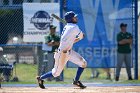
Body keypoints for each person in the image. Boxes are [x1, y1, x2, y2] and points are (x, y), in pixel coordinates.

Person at [37, 11, 87, 89]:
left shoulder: (69, 27)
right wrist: (81, 36)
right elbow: (80, 36)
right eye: (74, 17)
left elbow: (72, 40)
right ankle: (41, 78)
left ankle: (76, 81)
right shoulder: (74, 27)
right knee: (56, 73)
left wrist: (80, 37)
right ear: (71, 19)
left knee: (83, 63)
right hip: (62, 53)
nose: (76, 18)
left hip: (68, 51)